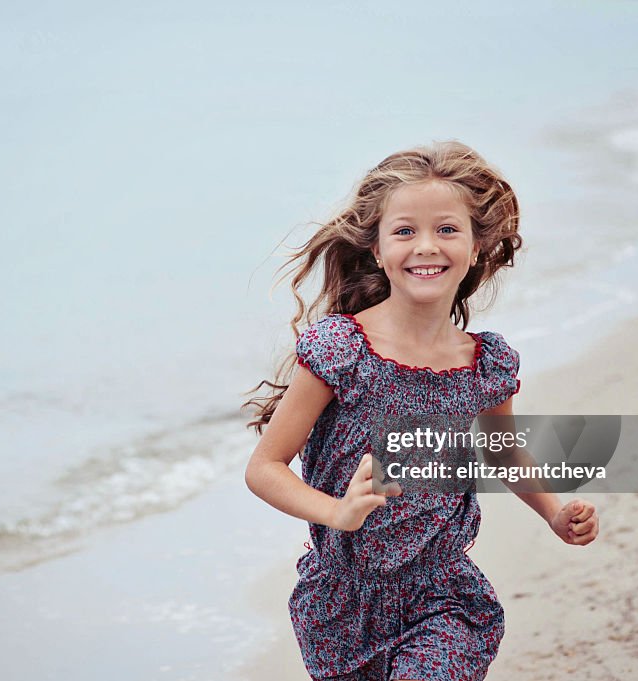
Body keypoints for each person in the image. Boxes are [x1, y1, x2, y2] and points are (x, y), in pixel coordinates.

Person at [242, 140, 600, 681]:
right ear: (379, 250)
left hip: (444, 597)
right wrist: (336, 512)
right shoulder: (342, 350)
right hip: (341, 603)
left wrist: (553, 511)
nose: (425, 246)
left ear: (478, 247)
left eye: (447, 229)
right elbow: (264, 468)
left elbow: (502, 455)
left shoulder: (486, 365)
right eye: (405, 230)